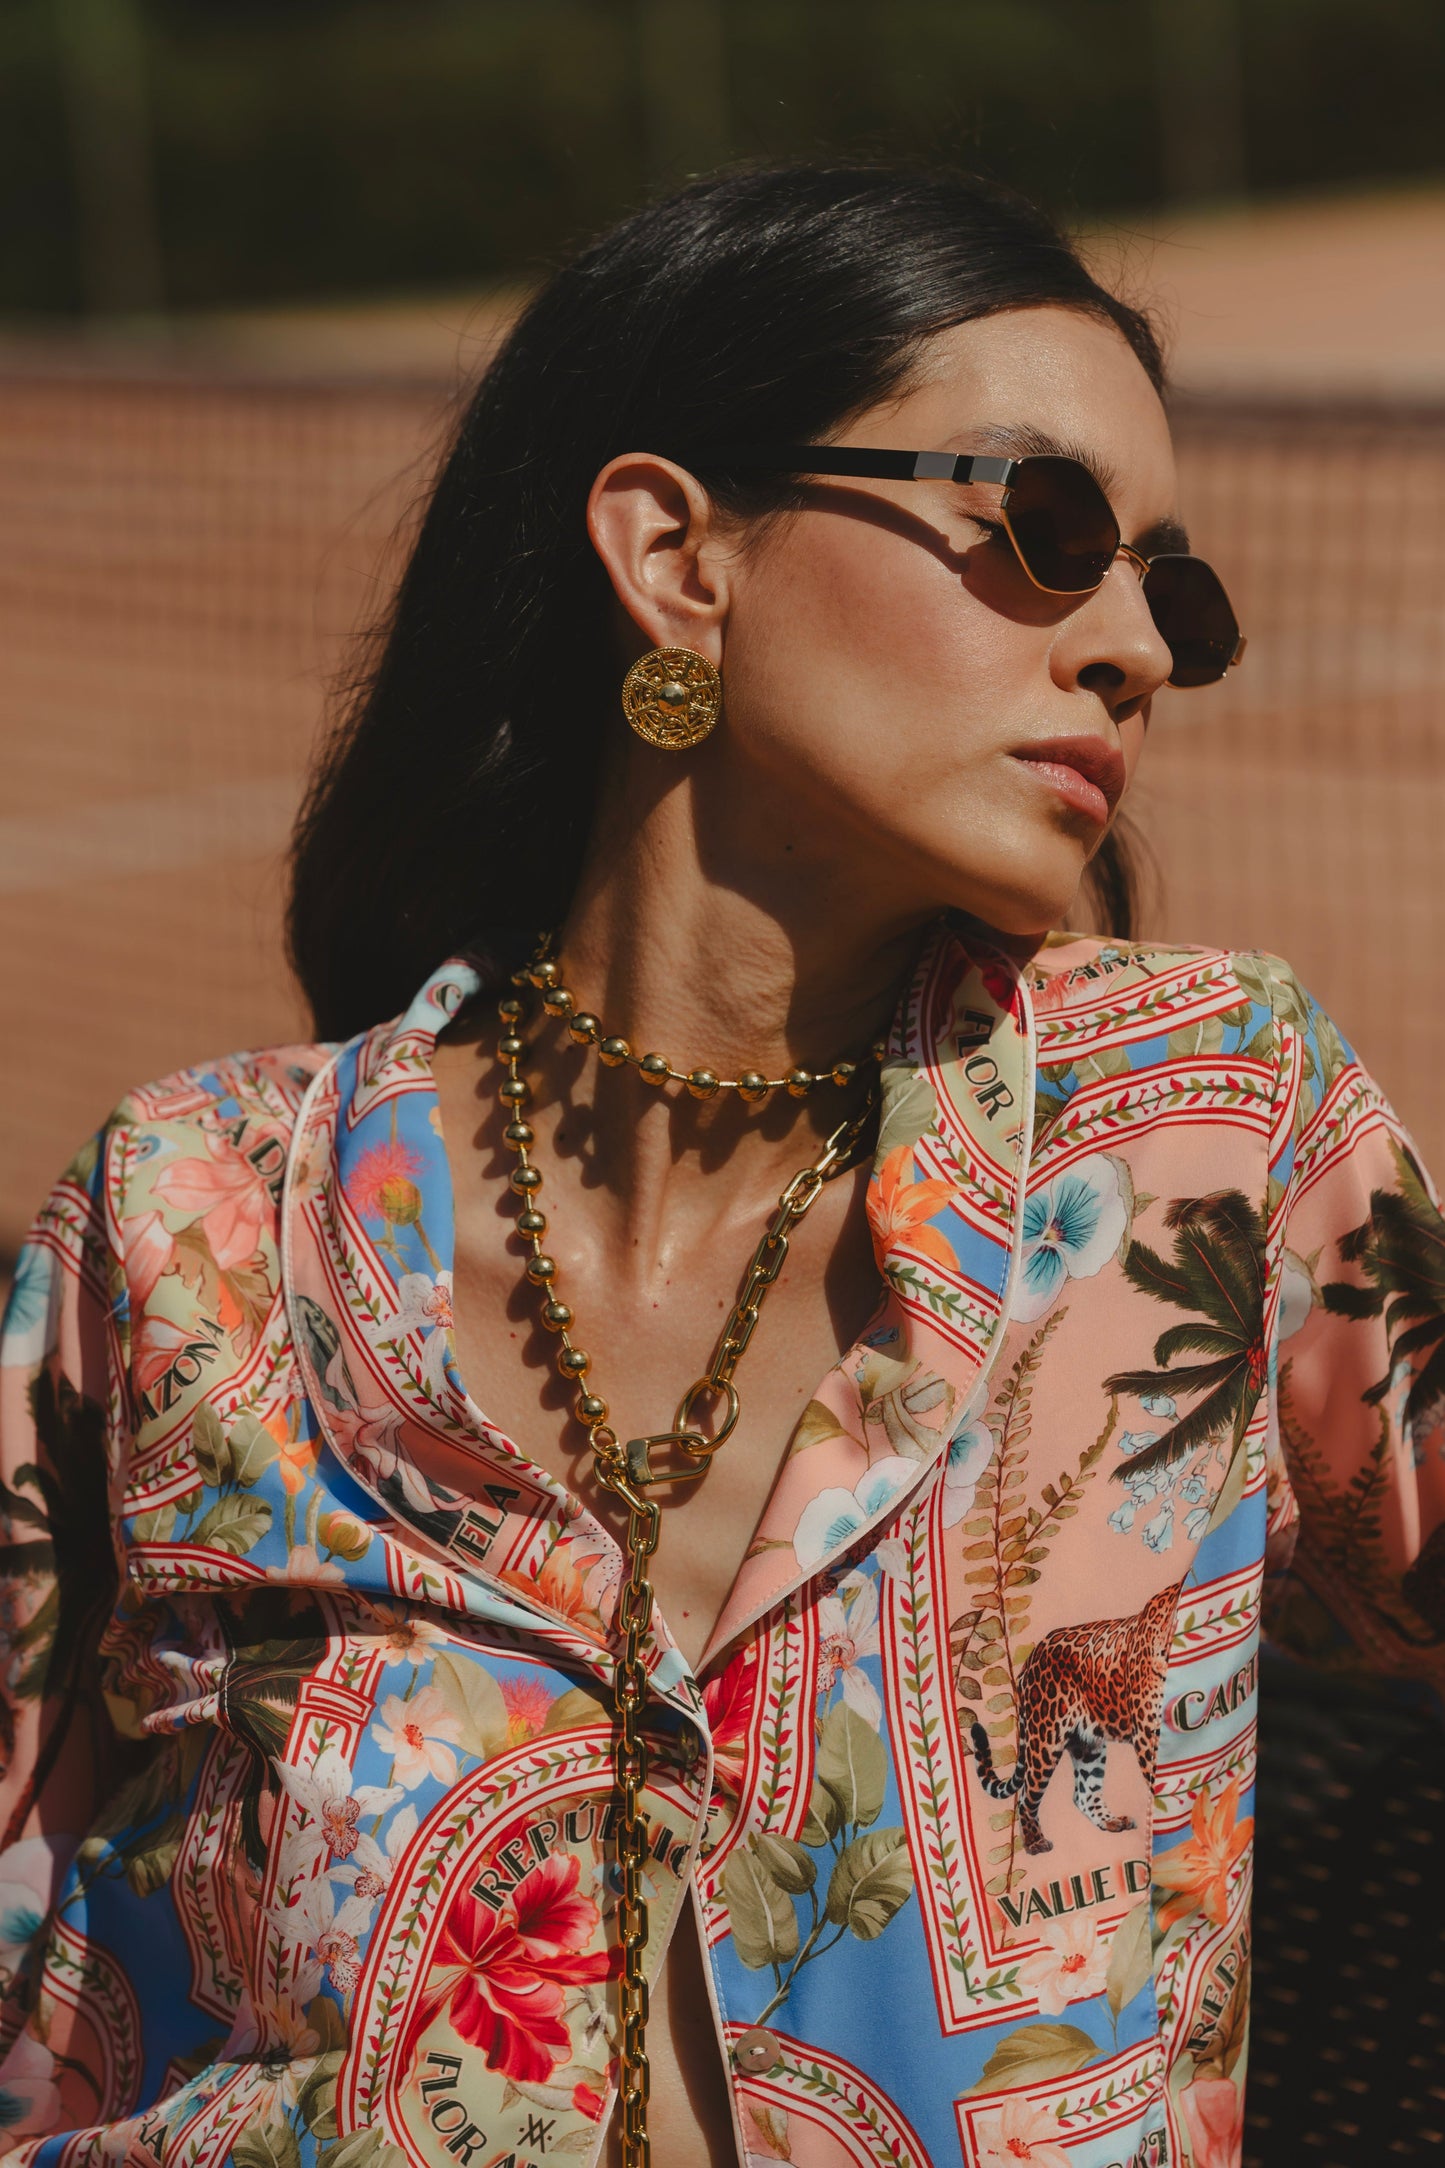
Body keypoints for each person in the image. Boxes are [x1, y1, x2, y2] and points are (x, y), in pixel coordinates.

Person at [0, 162, 1440, 2168]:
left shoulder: (1212, 1126)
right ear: (680, 554)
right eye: (1048, 528)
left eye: (1167, 589)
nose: (1134, 645)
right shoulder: (182, 1223)